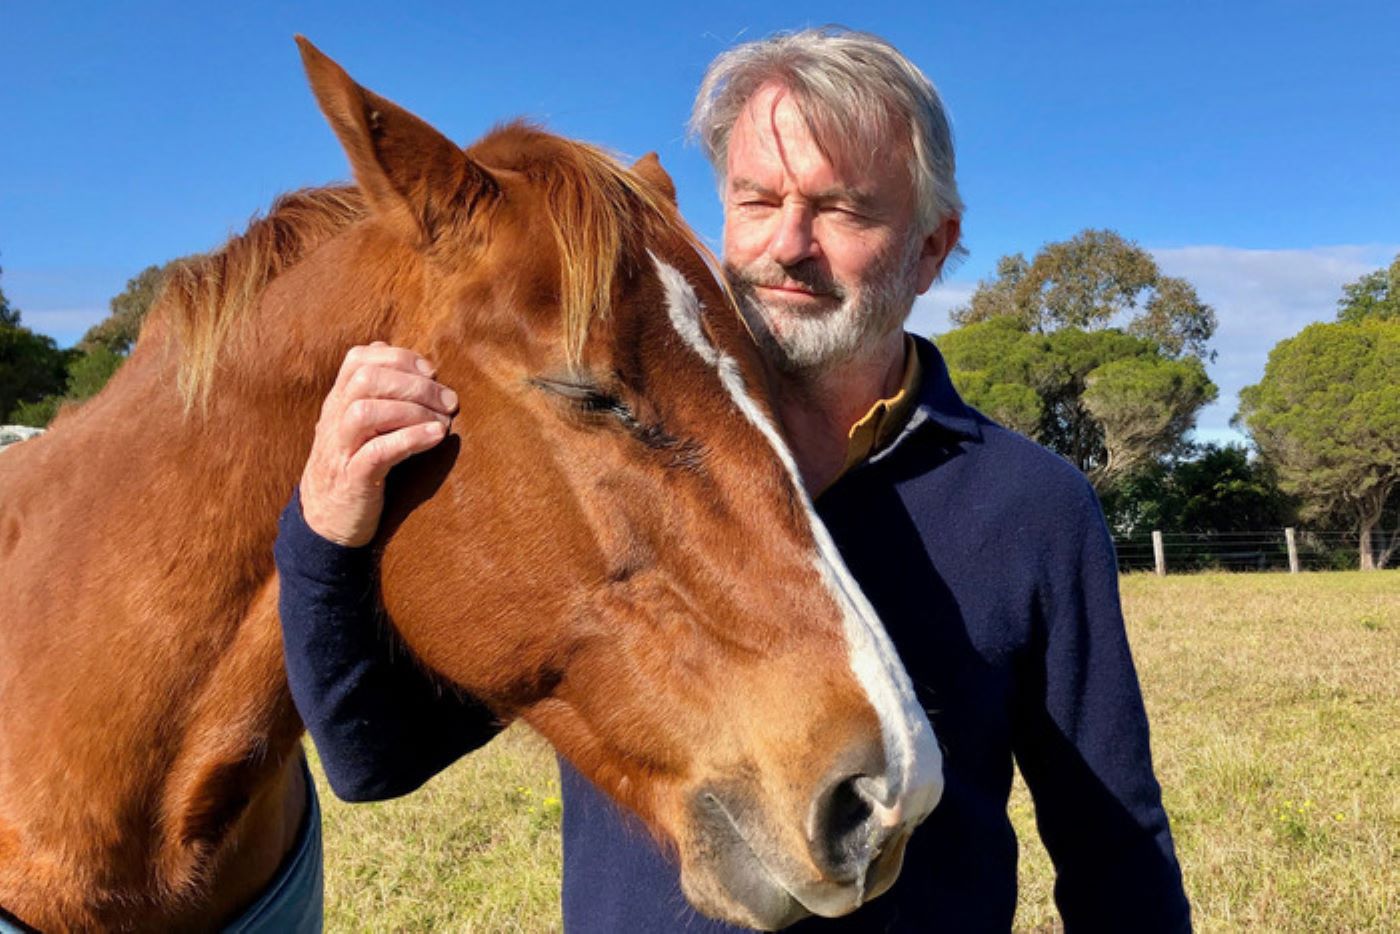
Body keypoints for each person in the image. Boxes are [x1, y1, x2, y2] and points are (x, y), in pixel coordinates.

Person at [276, 27, 1191, 932]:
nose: (787, 244)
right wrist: (324, 527)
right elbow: (371, 758)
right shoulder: (610, 453)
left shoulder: (1031, 507)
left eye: (844, 210)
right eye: (757, 200)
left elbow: (1114, 844)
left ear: (930, 249)